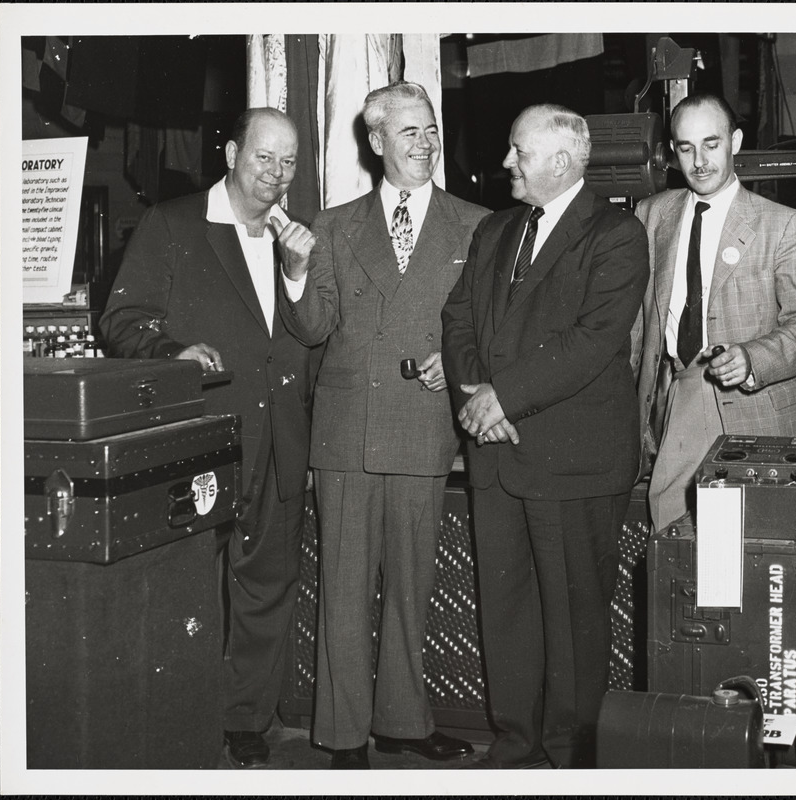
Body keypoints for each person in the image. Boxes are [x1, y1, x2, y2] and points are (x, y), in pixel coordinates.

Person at [276, 81, 487, 770]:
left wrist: (456, 368)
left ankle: (402, 721)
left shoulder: (477, 224)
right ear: (376, 141)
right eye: (409, 133)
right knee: (342, 588)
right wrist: (297, 269)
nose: (426, 144)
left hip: (425, 427)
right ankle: (340, 735)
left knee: (409, 588)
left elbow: (488, 330)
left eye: (431, 130)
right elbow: (312, 330)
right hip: (346, 432)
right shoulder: (333, 226)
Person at [99, 107, 318, 769]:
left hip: (281, 438)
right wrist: (173, 351)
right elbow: (121, 321)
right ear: (230, 153)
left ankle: (245, 720)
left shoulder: (298, 236)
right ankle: (187, 710)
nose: (276, 174)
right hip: (203, 437)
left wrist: (298, 273)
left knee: (267, 584)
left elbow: (310, 336)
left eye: (288, 162)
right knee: (192, 585)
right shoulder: (175, 223)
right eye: (263, 158)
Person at [441, 104, 650, 769]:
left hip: (573, 464)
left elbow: (591, 343)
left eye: (518, 152)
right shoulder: (495, 231)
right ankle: (513, 744)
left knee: (572, 622)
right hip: (496, 453)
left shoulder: (617, 234)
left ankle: (569, 759)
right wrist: (480, 399)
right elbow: (457, 321)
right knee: (504, 612)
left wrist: (505, 397)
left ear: (562, 162)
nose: (506, 163)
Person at [635, 93, 796, 531]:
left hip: (758, 411)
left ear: (735, 141)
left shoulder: (780, 223)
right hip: (676, 406)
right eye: (685, 148)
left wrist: (752, 358)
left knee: (760, 562)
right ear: (671, 153)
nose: (699, 161)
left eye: (711, 144)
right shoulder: (651, 216)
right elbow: (637, 327)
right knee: (676, 553)